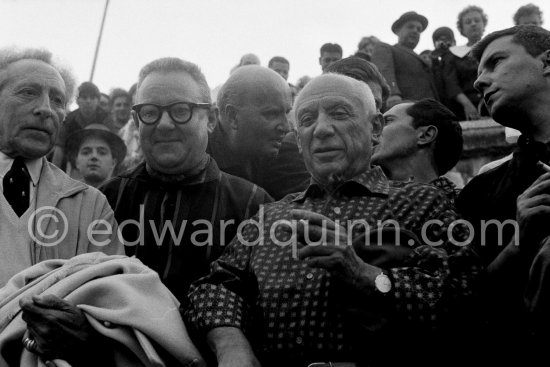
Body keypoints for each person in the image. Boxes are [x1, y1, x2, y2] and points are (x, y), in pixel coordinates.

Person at [185, 73, 479, 367]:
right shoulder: (270, 216)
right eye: (307, 119)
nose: (322, 129)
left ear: (375, 128)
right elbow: (214, 286)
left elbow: (464, 298)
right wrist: (231, 344)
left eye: (339, 114)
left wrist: (362, 273)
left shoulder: (422, 203)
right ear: (299, 140)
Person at [101, 57, 272, 303]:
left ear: (211, 119)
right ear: (137, 121)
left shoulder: (254, 207)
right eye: (149, 112)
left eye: (181, 110)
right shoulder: (106, 201)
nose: (164, 124)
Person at [0, 47, 123, 364]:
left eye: (57, 100)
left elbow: (112, 301)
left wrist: (84, 329)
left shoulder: (91, 204)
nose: (45, 109)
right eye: (28, 93)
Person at [456, 25, 550, 363]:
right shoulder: (479, 189)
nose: (479, 82)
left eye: (496, 62)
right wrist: (519, 243)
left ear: (548, 61)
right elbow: (465, 301)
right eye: (478, 73)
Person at [208, 65, 291, 194]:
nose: (286, 127)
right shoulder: (196, 165)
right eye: (272, 114)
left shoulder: (279, 154)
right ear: (233, 116)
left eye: (287, 112)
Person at [372, 99, 463, 205]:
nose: (374, 130)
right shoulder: (360, 203)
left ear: (425, 135)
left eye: (387, 121)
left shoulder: (467, 208)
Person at [371, 11, 438, 107]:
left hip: (432, 110)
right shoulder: (386, 49)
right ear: (398, 30)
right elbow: (383, 71)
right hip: (406, 109)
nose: (415, 31)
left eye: (419, 29)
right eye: (410, 27)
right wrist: (392, 94)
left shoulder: (424, 59)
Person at [51, 81, 114, 170]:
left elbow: (112, 147)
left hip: (98, 164)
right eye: (84, 97)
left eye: (92, 98)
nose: (88, 101)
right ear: (77, 100)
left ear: (98, 101)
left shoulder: (106, 119)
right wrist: (53, 175)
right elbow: (59, 149)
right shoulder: (69, 119)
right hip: (71, 165)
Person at [442, 5, 488, 120]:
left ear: (483, 25)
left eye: (477, 20)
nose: (473, 24)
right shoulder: (453, 54)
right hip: (465, 109)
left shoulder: (495, 49)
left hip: (496, 104)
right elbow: (451, 83)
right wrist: (467, 105)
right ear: (462, 29)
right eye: (468, 22)